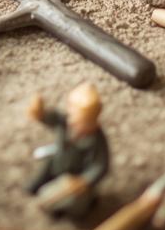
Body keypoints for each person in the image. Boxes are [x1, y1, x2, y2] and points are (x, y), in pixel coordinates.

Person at [25, 83, 109, 220]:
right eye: (72, 117)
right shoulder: (65, 121)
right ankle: (36, 185)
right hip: (59, 160)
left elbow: (100, 165)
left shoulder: (96, 140)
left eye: (82, 122)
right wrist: (40, 113)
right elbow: (51, 118)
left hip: (76, 174)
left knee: (77, 199)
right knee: (48, 165)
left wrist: (84, 180)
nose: (73, 123)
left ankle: (69, 209)